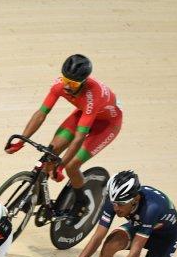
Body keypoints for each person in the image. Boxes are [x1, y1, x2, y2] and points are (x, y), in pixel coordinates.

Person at [7, 54, 122, 217]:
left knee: (71, 165)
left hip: (106, 126)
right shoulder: (59, 85)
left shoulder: (92, 97)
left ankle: (82, 201)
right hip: (82, 115)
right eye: (65, 80)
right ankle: (39, 195)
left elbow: (79, 138)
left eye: (73, 83)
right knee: (50, 153)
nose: (67, 86)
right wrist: (21, 141)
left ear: (83, 81)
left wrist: (60, 166)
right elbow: (41, 113)